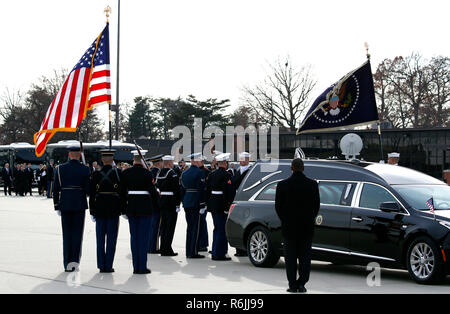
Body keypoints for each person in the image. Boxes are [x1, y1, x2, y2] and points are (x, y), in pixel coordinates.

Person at [275, 158, 320, 293]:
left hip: (289, 227)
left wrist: (285, 220)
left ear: (291, 168)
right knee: (305, 257)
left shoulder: (282, 185)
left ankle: (292, 285)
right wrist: (309, 218)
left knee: (290, 258)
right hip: (306, 227)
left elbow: (278, 207)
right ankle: (302, 283)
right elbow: (316, 206)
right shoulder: (312, 185)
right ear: (303, 168)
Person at [120, 150, 159, 274]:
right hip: (145, 208)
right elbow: (152, 192)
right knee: (143, 238)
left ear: (133, 160)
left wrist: (123, 209)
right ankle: (142, 267)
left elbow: (121, 192)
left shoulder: (126, 173)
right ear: (143, 160)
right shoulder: (147, 173)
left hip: (131, 207)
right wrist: (157, 196)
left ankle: (135, 266)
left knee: (134, 237)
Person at [53, 145, 91, 272]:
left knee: (67, 235)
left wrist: (56, 205)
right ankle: (74, 263)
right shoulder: (85, 169)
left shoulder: (60, 169)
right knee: (77, 234)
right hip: (79, 204)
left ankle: (66, 263)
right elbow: (88, 190)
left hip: (65, 204)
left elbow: (55, 189)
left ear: (69, 155)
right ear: (79, 155)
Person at [89, 149, 123, 273]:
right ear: (112, 160)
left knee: (100, 239)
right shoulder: (118, 173)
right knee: (111, 239)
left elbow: (92, 194)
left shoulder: (96, 174)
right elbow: (123, 193)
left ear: (102, 160)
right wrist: (122, 209)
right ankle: (108, 265)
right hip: (114, 209)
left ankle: (101, 264)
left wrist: (92, 211)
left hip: (99, 208)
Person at [206, 153, 235, 261]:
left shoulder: (212, 174)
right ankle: (219, 254)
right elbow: (229, 192)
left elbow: (208, 189)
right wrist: (228, 205)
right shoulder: (227, 175)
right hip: (222, 205)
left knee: (216, 228)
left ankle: (215, 251)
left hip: (213, 204)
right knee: (221, 229)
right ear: (225, 163)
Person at [180, 153, 207, 259]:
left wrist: (183, 201)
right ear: (196, 161)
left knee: (189, 228)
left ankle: (188, 251)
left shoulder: (185, 172)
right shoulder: (199, 172)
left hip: (187, 201)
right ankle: (193, 252)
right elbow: (201, 189)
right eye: (200, 160)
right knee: (195, 228)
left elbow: (182, 189)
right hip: (195, 202)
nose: (201, 162)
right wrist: (202, 204)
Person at [155, 155, 180, 256]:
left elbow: (157, 186)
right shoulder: (172, 173)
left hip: (162, 201)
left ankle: (163, 247)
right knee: (170, 227)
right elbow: (176, 190)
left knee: (164, 226)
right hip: (171, 202)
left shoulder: (160, 172)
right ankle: (167, 249)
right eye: (172, 162)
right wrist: (177, 204)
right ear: (169, 163)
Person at [233, 152, 252, 257]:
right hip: (237, 199)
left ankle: (245, 249)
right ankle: (239, 249)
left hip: (246, 199)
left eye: (243, 159)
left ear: (248, 159)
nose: (241, 161)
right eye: (240, 159)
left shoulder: (250, 171)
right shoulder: (237, 170)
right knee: (238, 224)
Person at [147, 154, 164, 254]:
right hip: (156, 202)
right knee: (156, 226)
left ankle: (150, 245)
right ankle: (153, 247)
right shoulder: (158, 173)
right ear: (159, 163)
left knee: (151, 225)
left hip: (149, 202)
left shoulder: (149, 172)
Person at [197, 156, 210, 253]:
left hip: (203, 201)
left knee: (202, 222)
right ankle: (199, 243)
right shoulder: (197, 171)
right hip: (197, 200)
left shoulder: (206, 172)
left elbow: (206, 188)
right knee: (198, 223)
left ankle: (203, 244)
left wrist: (205, 202)